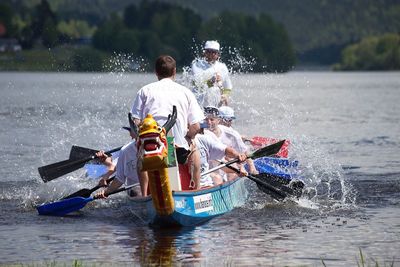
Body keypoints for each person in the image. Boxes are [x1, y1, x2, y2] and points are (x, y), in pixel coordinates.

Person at [130, 55, 205, 191]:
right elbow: (196, 127)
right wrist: (188, 137)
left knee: (140, 152)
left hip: (152, 147)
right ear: (174, 72)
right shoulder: (185, 92)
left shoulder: (144, 91)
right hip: (176, 148)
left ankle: (144, 192)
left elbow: (135, 122)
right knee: (194, 148)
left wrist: (139, 137)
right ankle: (197, 189)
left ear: (156, 72)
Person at [203, 106, 258, 181]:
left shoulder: (232, 134)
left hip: (224, 168)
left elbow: (244, 153)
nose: (209, 122)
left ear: (218, 120)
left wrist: (252, 169)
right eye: (206, 119)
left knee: (231, 164)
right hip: (209, 169)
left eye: (212, 120)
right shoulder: (202, 134)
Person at [194, 121, 248, 187]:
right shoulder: (183, 143)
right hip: (193, 181)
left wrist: (238, 169)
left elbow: (223, 161)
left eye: (202, 129)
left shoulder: (204, 139)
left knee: (218, 178)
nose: (202, 131)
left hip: (205, 181)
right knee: (217, 178)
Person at [190, 40, 233, 107]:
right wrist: (211, 82)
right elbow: (198, 87)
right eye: (208, 51)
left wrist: (225, 95)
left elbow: (228, 87)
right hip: (199, 105)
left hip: (217, 106)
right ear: (204, 53)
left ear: (218, 54)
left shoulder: (222, 67)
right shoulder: (196, 66)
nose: (211, 54)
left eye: (214, 52)